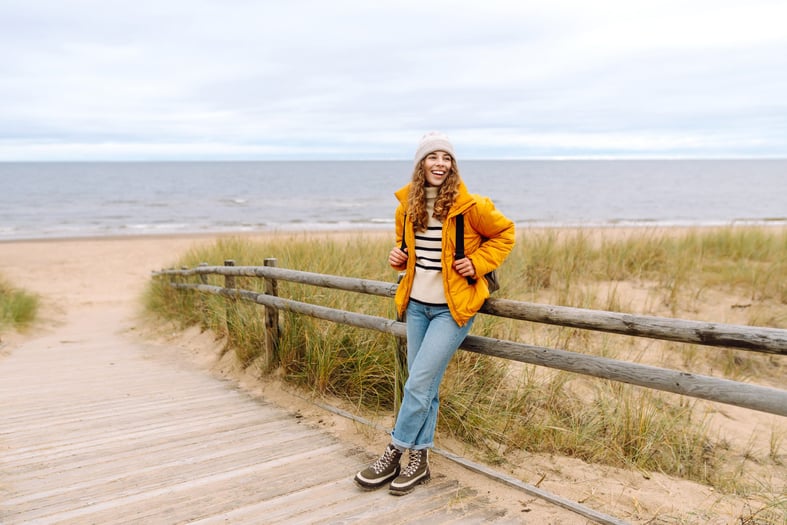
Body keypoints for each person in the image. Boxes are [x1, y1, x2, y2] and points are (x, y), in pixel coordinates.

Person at [354, 132, 516, 495]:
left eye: (446, 157)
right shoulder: (405, 207)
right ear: (420, 164)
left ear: (452, 165)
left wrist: (477, 262)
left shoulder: (469, 206)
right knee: (425, 385)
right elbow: (406, 253)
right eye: (432, 157)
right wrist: (398, 260)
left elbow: (505, 233)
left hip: (452, 309)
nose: (440, 163)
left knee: (418, 382)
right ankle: (420, 461)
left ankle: (395, 451)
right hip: (415, 306)